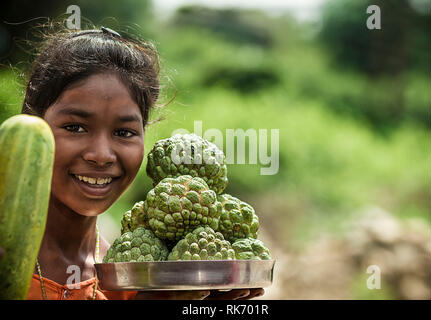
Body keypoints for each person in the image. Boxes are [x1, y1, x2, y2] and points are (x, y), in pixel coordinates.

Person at [21, 26, 264, 300]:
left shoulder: (132, 274)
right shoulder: (8, 253)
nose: (101, 155)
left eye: (124, 132)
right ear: (32, 128)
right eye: (75, 127)